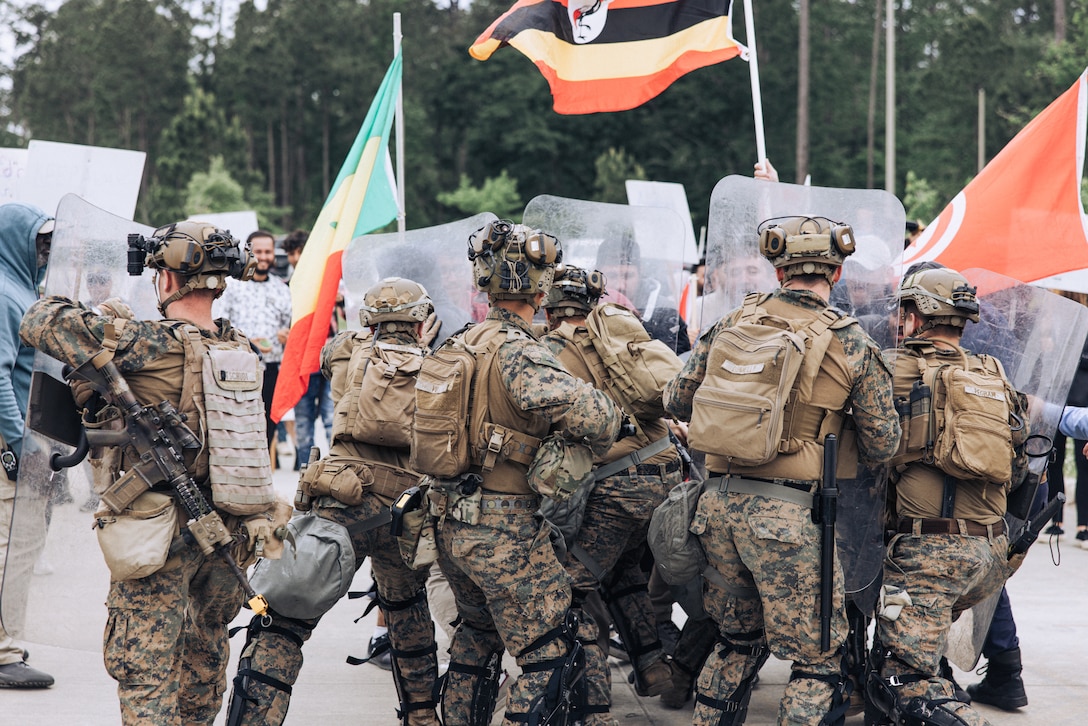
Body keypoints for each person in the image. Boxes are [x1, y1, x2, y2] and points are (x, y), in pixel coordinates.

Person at [20, 221, 281, 723]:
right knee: (205, 658)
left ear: (166, 280)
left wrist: (101, 314)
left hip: (158, 533)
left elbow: (41, 319)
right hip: (227, 530)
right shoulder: (240, 348)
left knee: (146, 672)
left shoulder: (149, 344)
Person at [664, 215, 900, 725]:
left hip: (718, 509)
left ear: (779, 272)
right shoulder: (852, 341)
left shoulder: (730, 323)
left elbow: (676, 398)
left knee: (735, 643)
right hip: (791, 520)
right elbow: (885, 444)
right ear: (834, 274)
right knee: (817, 659)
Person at [423, 221, 620, 724]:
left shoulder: (459, 342)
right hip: (504, 526)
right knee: (548, 653)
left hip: (450, 522)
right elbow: (596, 418)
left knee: (476, 640)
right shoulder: (519, 350)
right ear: (540, 286)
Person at [227, 277, 441, 726]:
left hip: (343, 504)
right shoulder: (441, 362)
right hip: (407, 510)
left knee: (283, 618)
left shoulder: (348, 348)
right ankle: (422, 716)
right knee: (407, 613)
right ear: (421, 321)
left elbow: (329, 359)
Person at [866, 266, 1030, 726]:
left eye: (904, 311)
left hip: (927, 556)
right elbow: (1016, 469)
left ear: (916, 315)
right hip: (990, 555)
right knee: (897, 659)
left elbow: (859, 453)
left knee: (905, 682)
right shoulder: (992, 374)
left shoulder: (893, 367)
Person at [542, 265, 683, 713]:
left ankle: (591, 698)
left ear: (549, 310)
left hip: (616, 487)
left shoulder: (547, 351)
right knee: (624, 569)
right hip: (667, 472)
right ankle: (652, 663)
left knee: (571, 592)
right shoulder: (621, 333)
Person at [0, 203, 55, 688]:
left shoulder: (19, 286)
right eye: (39, 242)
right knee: (13, 544)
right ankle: (3, 652)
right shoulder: (5, 291)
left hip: (20, 435)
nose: (46, 251)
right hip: (12, 438)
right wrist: (21, 445)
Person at [214, 229, 292, 450]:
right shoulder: (231, 287)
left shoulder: (282, 289)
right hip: (239, 370)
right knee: (239, 426)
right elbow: (218, 326)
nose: (264, 256)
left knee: (268, 426)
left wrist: (286, 335)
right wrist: (247, 341)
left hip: (273, 369)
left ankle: (262, 479)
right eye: (259, 251)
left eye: (268, 251)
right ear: (248, 252)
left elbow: (290, 326)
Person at [595, 235, 691, 356]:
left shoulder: (665, 312)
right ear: (598, 275)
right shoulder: (583, 308)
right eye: (612, 276)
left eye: (628, 276)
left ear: (640, 275)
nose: (621, 286)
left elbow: (679, 364)